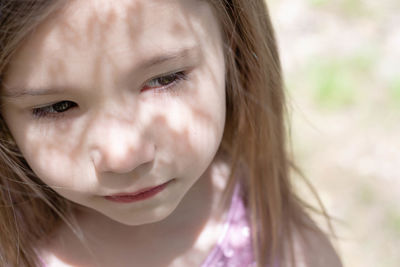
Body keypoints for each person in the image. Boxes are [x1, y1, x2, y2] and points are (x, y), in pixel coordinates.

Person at [0, 0, 343, 266]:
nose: (123, 156)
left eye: (164, 79)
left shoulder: (286, 252)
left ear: (233, 46)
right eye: (59, 106)